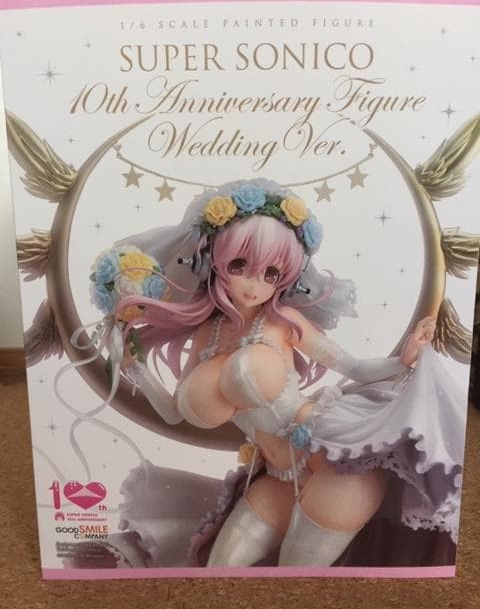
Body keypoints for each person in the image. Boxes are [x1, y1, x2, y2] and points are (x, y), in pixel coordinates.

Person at [111, 178, 463, 568]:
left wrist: (402, 361)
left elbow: (353, 366)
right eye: (240, 266)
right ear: (216, 261)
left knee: (296, 582)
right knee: (219, 571)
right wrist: (136, 368)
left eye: (271, 274)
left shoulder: (284, 323)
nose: (254, 284)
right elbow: (175, 411)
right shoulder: (206, 336)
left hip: (331, 460)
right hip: (277, 475)